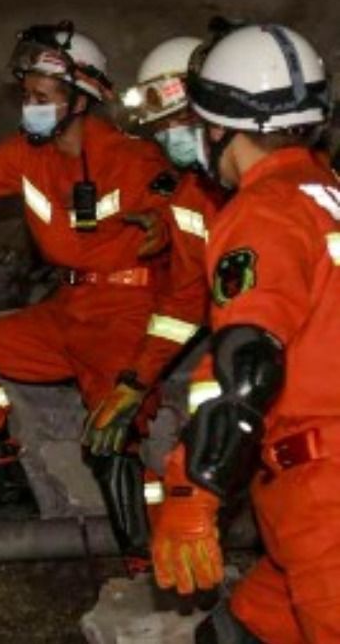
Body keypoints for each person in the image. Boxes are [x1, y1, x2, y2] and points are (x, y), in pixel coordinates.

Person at [0, 22, 196, 571]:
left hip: (125, 314)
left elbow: (189, 206)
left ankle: (146, 571)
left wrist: (166, 226)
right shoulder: (24, 157)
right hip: (65, 310)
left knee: (109, 440)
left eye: (42, 97)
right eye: (26, 96)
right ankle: (6, 480)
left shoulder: (132, 158)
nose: (29, 106)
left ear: (81, 99)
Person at [146, 24, 339, 643]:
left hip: (325, 498)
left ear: (219, 124)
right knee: (234, 634)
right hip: (304, 502)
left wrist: (196, 488)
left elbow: (249, 359)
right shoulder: (328, 196)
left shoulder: (264, 209)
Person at [83, 36, 224, 456]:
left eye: (175, 121)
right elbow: (184, 303)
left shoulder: (274, 188)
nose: (167, 137)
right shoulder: (189, 199)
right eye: (158, 128)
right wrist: (135, 382)